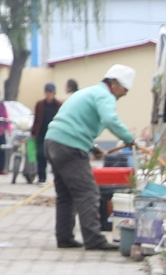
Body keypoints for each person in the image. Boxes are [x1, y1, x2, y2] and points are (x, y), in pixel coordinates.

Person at [46, 64, 135, 250]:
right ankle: (94, 239)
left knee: (66, 195)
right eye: (124, 89)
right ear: (114, 83)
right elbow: (110, 119)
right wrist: (128, 138)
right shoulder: (105, 96)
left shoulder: (89, 92)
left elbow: (75, 122)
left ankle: (64, 237)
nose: (125, 94)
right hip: (69, 146)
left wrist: (93, 148)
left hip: (53, 142)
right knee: (88, 193)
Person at [29, 83, 62, 184]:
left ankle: (58, 178)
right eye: (47, 92)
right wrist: (33, 132)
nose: (49, 94)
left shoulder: (58, 104)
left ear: (54, 93)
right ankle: (41, 178)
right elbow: (36, 120)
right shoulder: (40, 104)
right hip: (42, 133)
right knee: (40, 155)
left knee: (54, 156)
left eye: (51, 92)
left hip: (54, 134)